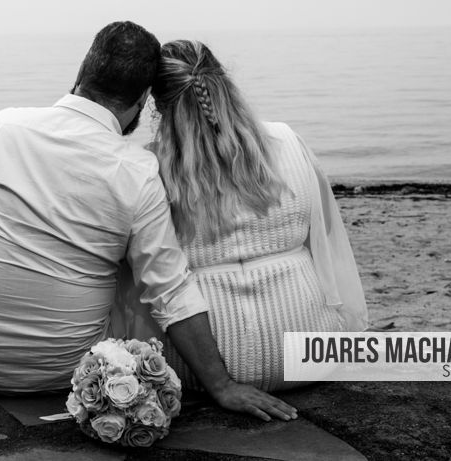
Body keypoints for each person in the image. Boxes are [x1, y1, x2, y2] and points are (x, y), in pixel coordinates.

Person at [0, 22, 297, 421]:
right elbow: (170, 291)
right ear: (144, 100)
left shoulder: (0, 127)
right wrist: (222, 386)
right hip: (73, 376)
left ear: (80, 74)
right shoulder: (135, 169)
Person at [114, 39, 368, 391]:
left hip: (195, 370)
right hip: (308, 356)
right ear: (224, 80)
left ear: (157, 103)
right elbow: (323, 234)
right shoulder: (287, 140)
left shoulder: (147, 166)